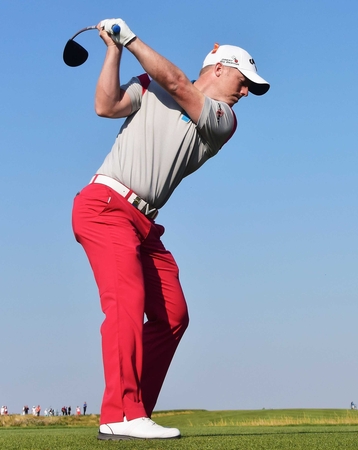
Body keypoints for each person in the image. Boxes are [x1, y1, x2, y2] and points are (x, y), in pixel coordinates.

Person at [71, 18, 269, 441]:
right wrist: (114, 49)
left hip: (143, 223)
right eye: (243, 79)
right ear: (219, 68)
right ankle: (121, 414)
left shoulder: (223, 120)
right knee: (127, 300)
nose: (246, 91)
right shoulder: (149, 84)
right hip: (105, 205)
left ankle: (134, 409)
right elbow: (105, 106)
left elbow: (179, 84)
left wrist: (132, 37)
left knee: (173, 316)